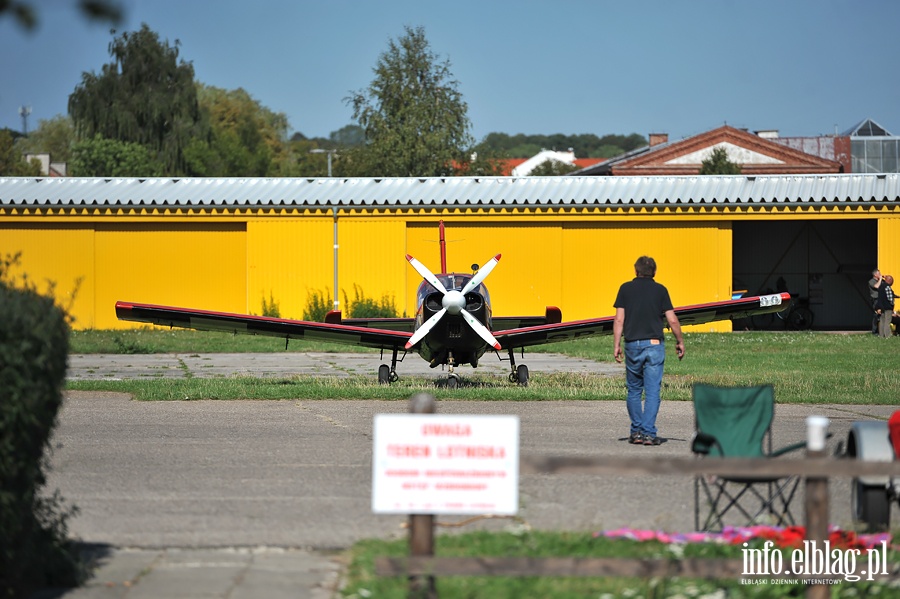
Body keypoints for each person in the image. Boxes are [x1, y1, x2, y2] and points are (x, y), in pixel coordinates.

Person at [613, 256, 685, 446]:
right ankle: (648, 433)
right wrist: (680, 341)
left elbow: (619, 320)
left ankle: (636, 432)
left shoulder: (625, 289)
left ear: (636, 271)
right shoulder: (660, 290)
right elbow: (672, 320)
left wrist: (616, 344)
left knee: (634, 390)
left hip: (632, 344)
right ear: (654, 272)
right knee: (652, 391)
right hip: (654, 344)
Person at [875, 274, 895, 338]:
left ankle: (881, 335)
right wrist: (892, 304)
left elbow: (880, 298)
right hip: (887, 307)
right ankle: (888, 335)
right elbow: (890, 298)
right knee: (887, 321)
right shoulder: (887, 287)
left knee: (882, 321)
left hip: (881, 307)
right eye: (892, 281)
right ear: (889, 281)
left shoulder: (881, 286)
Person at [869, 269, 882, 335]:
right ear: (875, 275)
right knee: (876, 315)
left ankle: (881, 331)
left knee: (881, 315)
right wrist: (880, 279)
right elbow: (876, 286)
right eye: (879, 274)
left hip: (880, 299)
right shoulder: (871, 281)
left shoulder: (881, 281)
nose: (880, 275)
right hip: (875, 299)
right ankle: (874, 331)